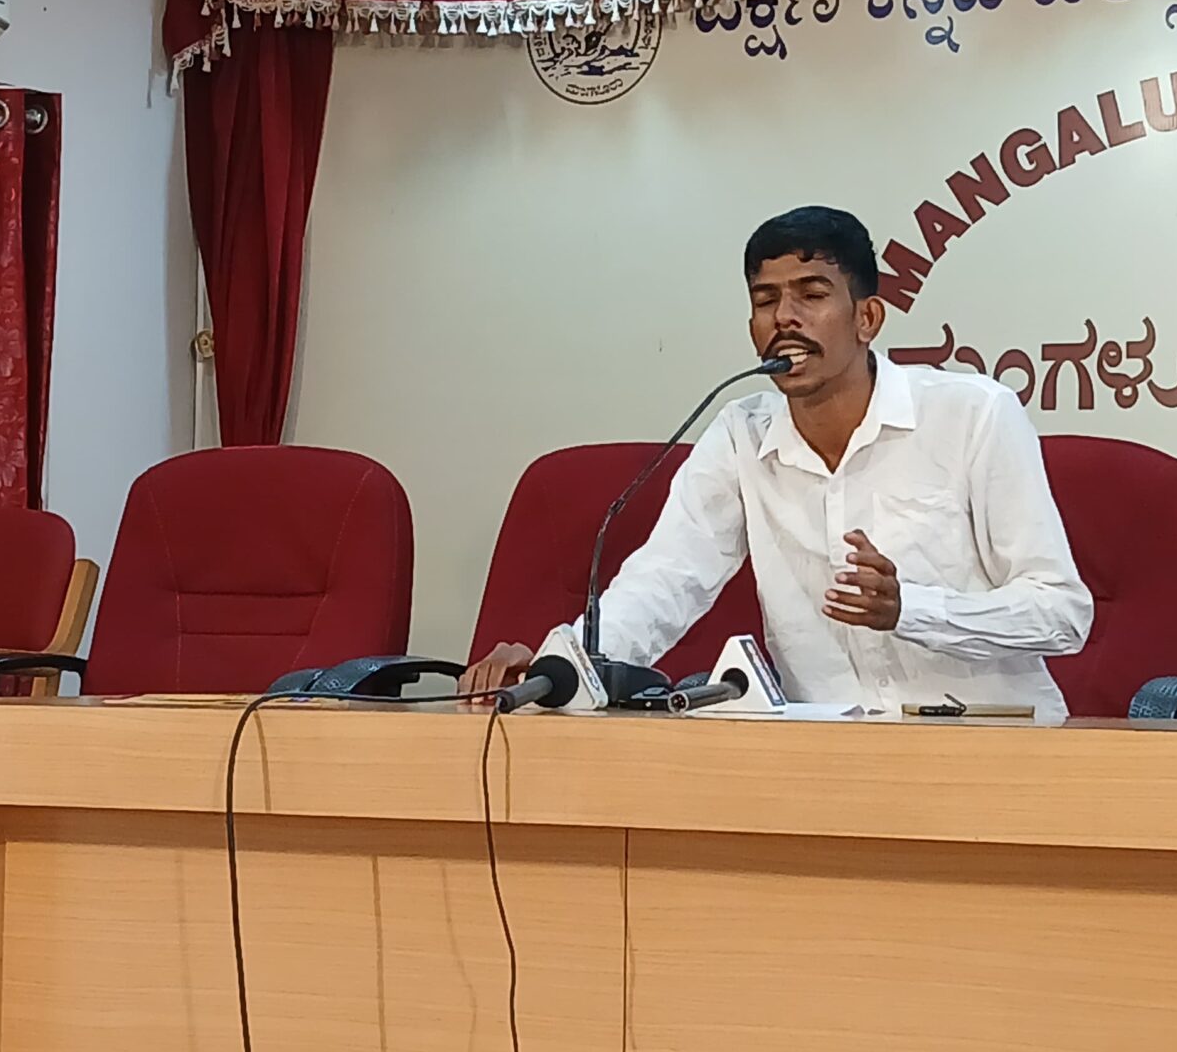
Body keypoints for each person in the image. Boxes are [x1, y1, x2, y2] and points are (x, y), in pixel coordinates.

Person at [461, 205, 1093, 714]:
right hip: (824, 759)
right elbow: (667, 578)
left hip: (995, 747)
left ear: (867, 318)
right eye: (766, 301)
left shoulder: (974, 415)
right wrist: (557, 669)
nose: (785, 318)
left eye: (811, 295)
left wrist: (912, 610)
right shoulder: (742, 434)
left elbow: (1061, 613)